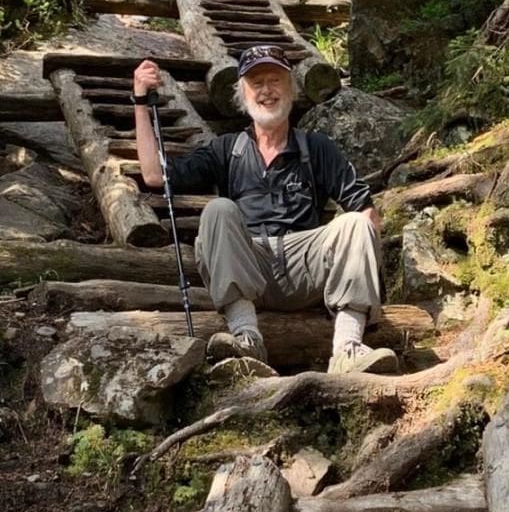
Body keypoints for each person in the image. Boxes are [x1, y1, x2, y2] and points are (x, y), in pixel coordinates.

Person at [132, 45, 398, 375]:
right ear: (242, 94)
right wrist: (141, 103)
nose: (267, 91)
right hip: (250, 265)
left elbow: (368, 212)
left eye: (275, 80)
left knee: (357, 223)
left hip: (306, 266)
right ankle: (247, 339)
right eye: (256, 83)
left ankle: (348, 347)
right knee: (218, 210)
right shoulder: (226, 149)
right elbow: (155, 176)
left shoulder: (316, 147)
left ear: (291, 88)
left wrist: (368, 272)